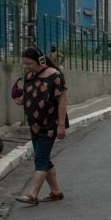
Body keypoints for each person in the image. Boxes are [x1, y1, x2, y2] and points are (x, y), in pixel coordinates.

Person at [14, 46, 67, 205]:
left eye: (30, 63)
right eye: (25, 64)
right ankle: (55, 191)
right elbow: (28, 93)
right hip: (34, 124)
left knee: (40, 158)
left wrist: (61, 125)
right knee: (42, 157)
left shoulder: (55, 76)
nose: (27, 67)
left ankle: (33, 194)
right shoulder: (29, 75)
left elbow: (62, 102)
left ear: (40, 61)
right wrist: (22, 99)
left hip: (50, 124)